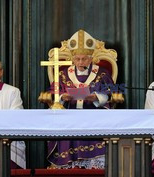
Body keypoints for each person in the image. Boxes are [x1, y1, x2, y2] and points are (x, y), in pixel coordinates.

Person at [47, 30, 114, 169]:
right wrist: (62, 97)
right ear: (73, 58)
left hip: (94, 115)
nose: (80, 62)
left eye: (84, 59)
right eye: (77, 59)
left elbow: (111, 93)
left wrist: (96, 97)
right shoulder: (63, 74)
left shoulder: (102, 73)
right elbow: (52, 93)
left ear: (90, 58)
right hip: (69, 114)